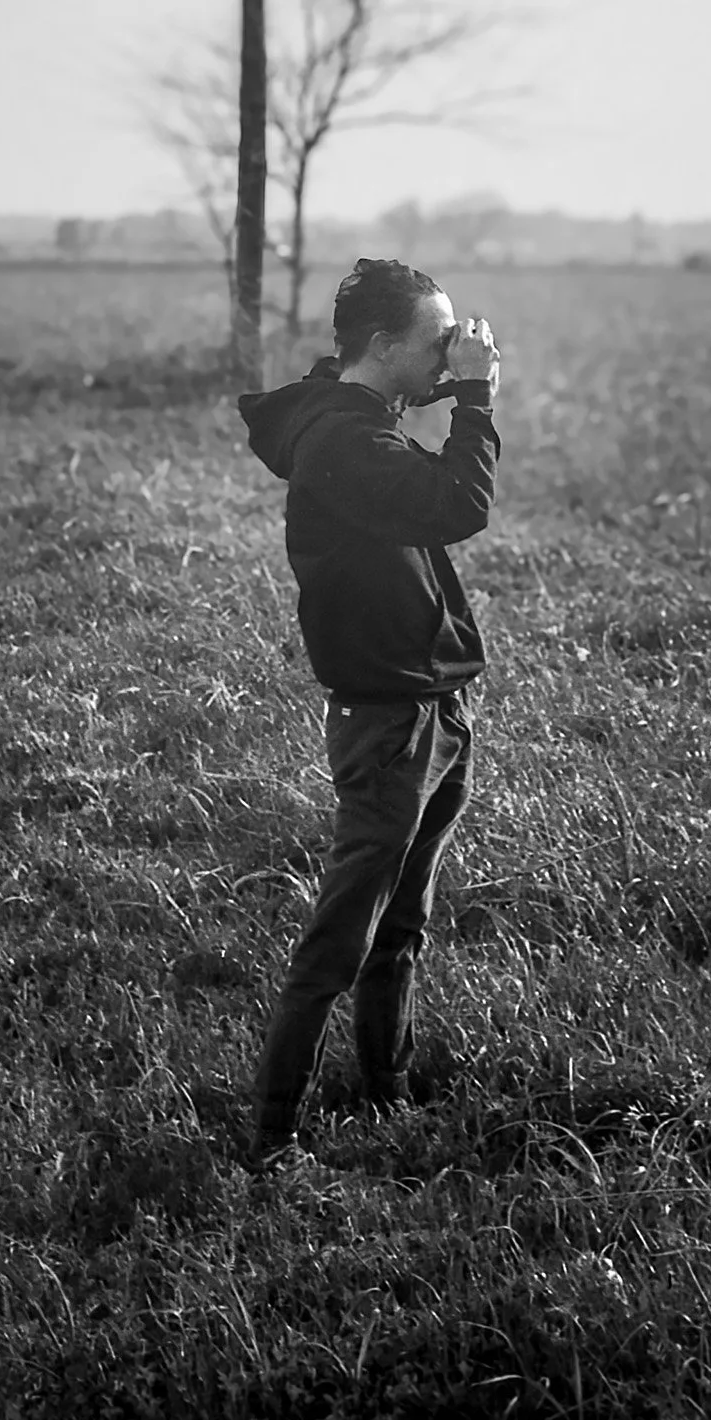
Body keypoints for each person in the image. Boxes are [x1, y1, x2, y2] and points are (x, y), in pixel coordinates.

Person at [236, 256, 502, 1170]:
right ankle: (274, 1135)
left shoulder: (351, 414)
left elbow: (346, 388)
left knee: (401, 926)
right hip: (392, 726)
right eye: (436, 339)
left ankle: (384, 1087)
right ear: (385, 346)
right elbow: (458, 502)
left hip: (429, 710)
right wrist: (475, 399)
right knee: (342, 938)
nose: (451, 352)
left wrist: (438, 376)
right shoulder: (347, 443)